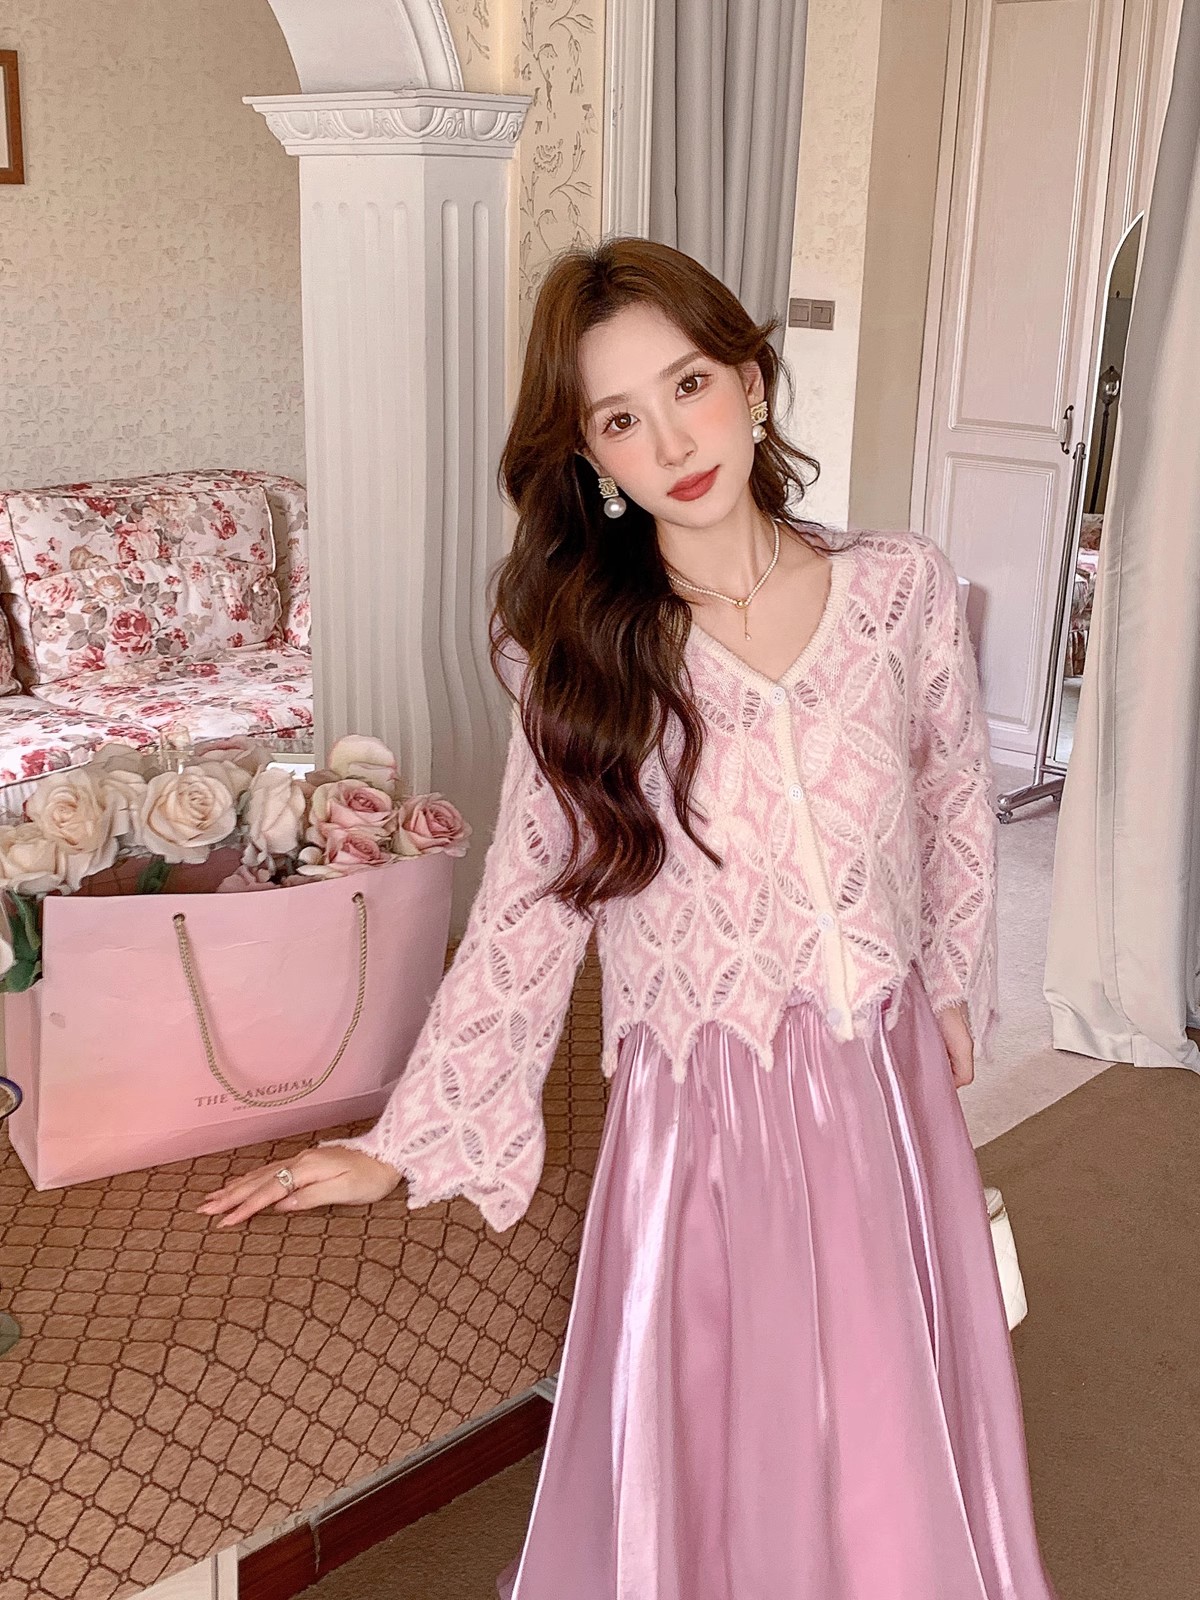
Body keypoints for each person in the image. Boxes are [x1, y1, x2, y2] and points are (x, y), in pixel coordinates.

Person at [198, 238, 1061, 1600]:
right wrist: (402, 1141)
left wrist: (951, 984)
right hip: (707, 1108)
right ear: (591, 455)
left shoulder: (898, 589)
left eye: (690, 384)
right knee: (738, 1452)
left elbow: (954, 793)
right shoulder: (582, 654)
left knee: (893, 1432)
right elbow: (532, 906)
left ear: (751, 382)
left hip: (884, 1082)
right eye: (619, 418)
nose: (671, 441)